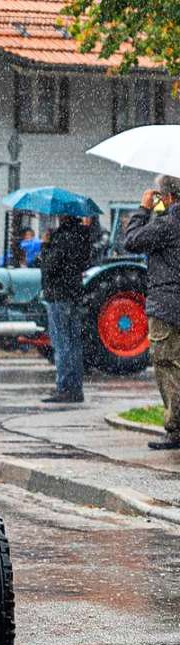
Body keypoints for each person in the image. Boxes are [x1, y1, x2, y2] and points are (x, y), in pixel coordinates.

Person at [123, 175, 180, 450]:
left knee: (166, 364)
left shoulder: (167, 224)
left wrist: (143, 209)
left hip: (167, 305)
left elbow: (132, 240)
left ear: (167, 197)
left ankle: (176, 428)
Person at [38, 216, 92, 403]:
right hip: (75, 294)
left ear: (63, 216)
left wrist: (45, 246)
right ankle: (76, 388)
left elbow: (49, 267)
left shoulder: (62, 238)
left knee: (61, 344)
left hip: (58, 296)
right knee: (74, 344)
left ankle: (64, 388)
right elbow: (85, 263)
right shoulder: (82, 236)